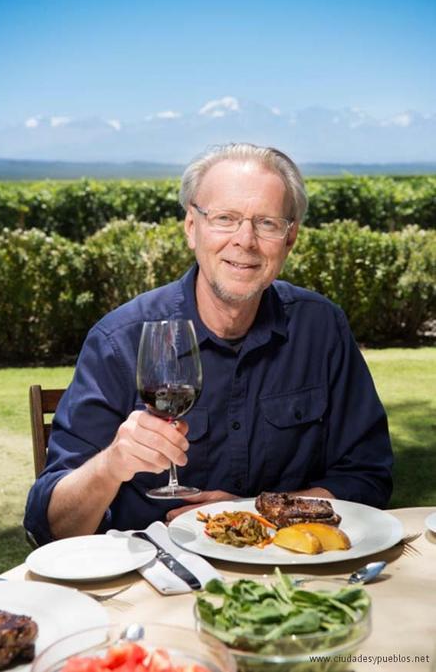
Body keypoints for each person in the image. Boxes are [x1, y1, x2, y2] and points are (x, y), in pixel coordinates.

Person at [24, 143, 393, 545]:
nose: (245, 240)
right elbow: (51, 526)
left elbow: (367, 476)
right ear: (190, 228)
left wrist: (254, 514)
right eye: (225, 218)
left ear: (290, 239)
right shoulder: (120, 340)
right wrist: (111, 464)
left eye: (267, 223)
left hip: (287, 574)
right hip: (151, 580)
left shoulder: (321, 327)